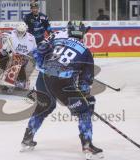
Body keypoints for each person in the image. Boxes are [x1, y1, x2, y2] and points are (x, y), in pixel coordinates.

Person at [21, 21, 104, 160]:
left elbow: (37, 53)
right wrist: (84, 97)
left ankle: (27, 139)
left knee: (43, 107)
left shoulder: (57, 38)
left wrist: (46, 66)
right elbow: (85, 82)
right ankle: (87, 144)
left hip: (43, 78)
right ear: (82, 33)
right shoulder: (86, 51)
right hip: (62, 83)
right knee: (84, 110)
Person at [0, 22, 37, 92]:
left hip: (22, 59)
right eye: (19, 31)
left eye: (22, 32)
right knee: (6, 54)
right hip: (8, 57)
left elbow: (34, 50)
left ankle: (21, 81)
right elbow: (0, 37)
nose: (20, 33)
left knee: (18, 61)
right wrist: (2, 38)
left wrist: (32, 57)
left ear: (26, 30)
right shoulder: (10, 34)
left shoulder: (31, 37)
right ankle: (7, 80)